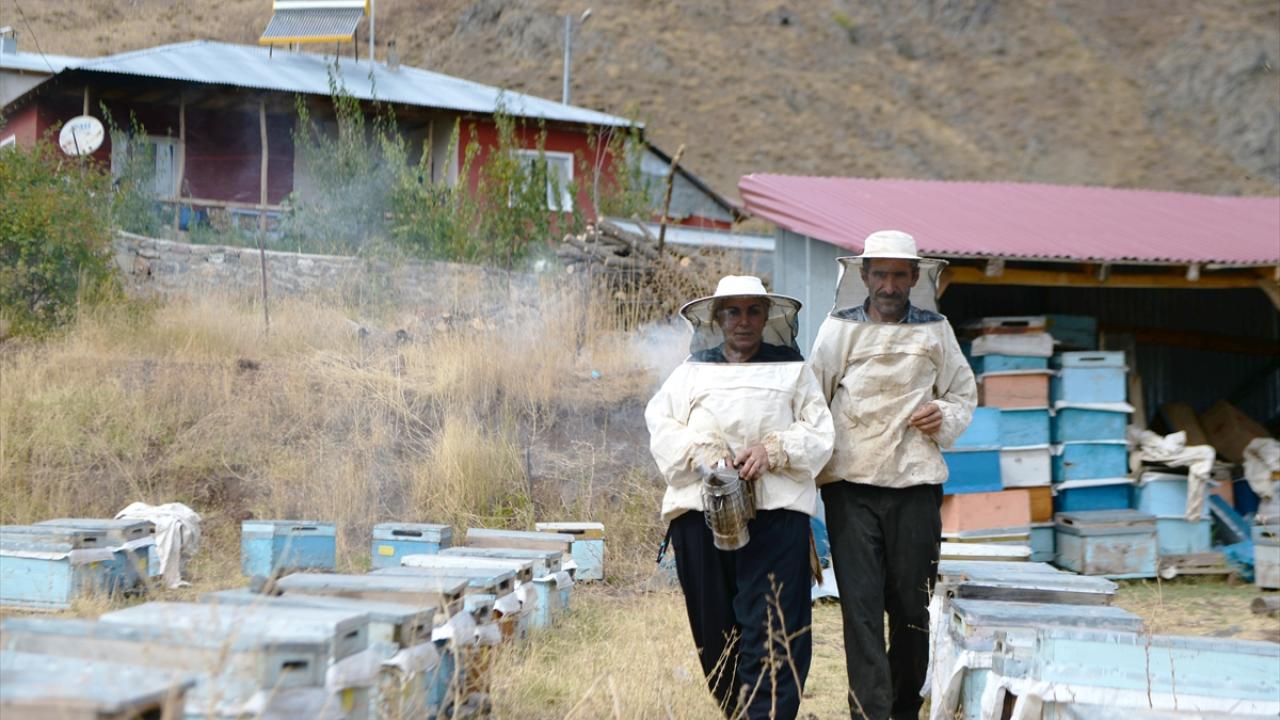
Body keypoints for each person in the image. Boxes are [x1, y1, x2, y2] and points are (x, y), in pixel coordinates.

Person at [646, 275, 835, 719]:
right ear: (717, 317)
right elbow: (661, 427)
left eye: (753, 310)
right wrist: (701, 453)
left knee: (773, 633)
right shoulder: (689, 374)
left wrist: (774, 450)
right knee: (715, 638)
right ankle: (737, 710)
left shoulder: (794, 371)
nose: (744, 321)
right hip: (699, 517)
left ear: (768, 316)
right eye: (734, 311)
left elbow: (820, 433)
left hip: (776, 519)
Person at [809, 231, 977, 720]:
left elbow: (963, 396)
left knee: (911, 610)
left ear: (914, 277)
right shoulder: (837, 330)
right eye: (879, 273)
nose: (888, 284)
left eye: (898, 274)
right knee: (859, 609)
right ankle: (869, 712)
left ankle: (904, 709)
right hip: (850, 489)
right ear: (862, 276)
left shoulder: (935, 331)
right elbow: (812, 404)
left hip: (916, 488)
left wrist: (941, 415)